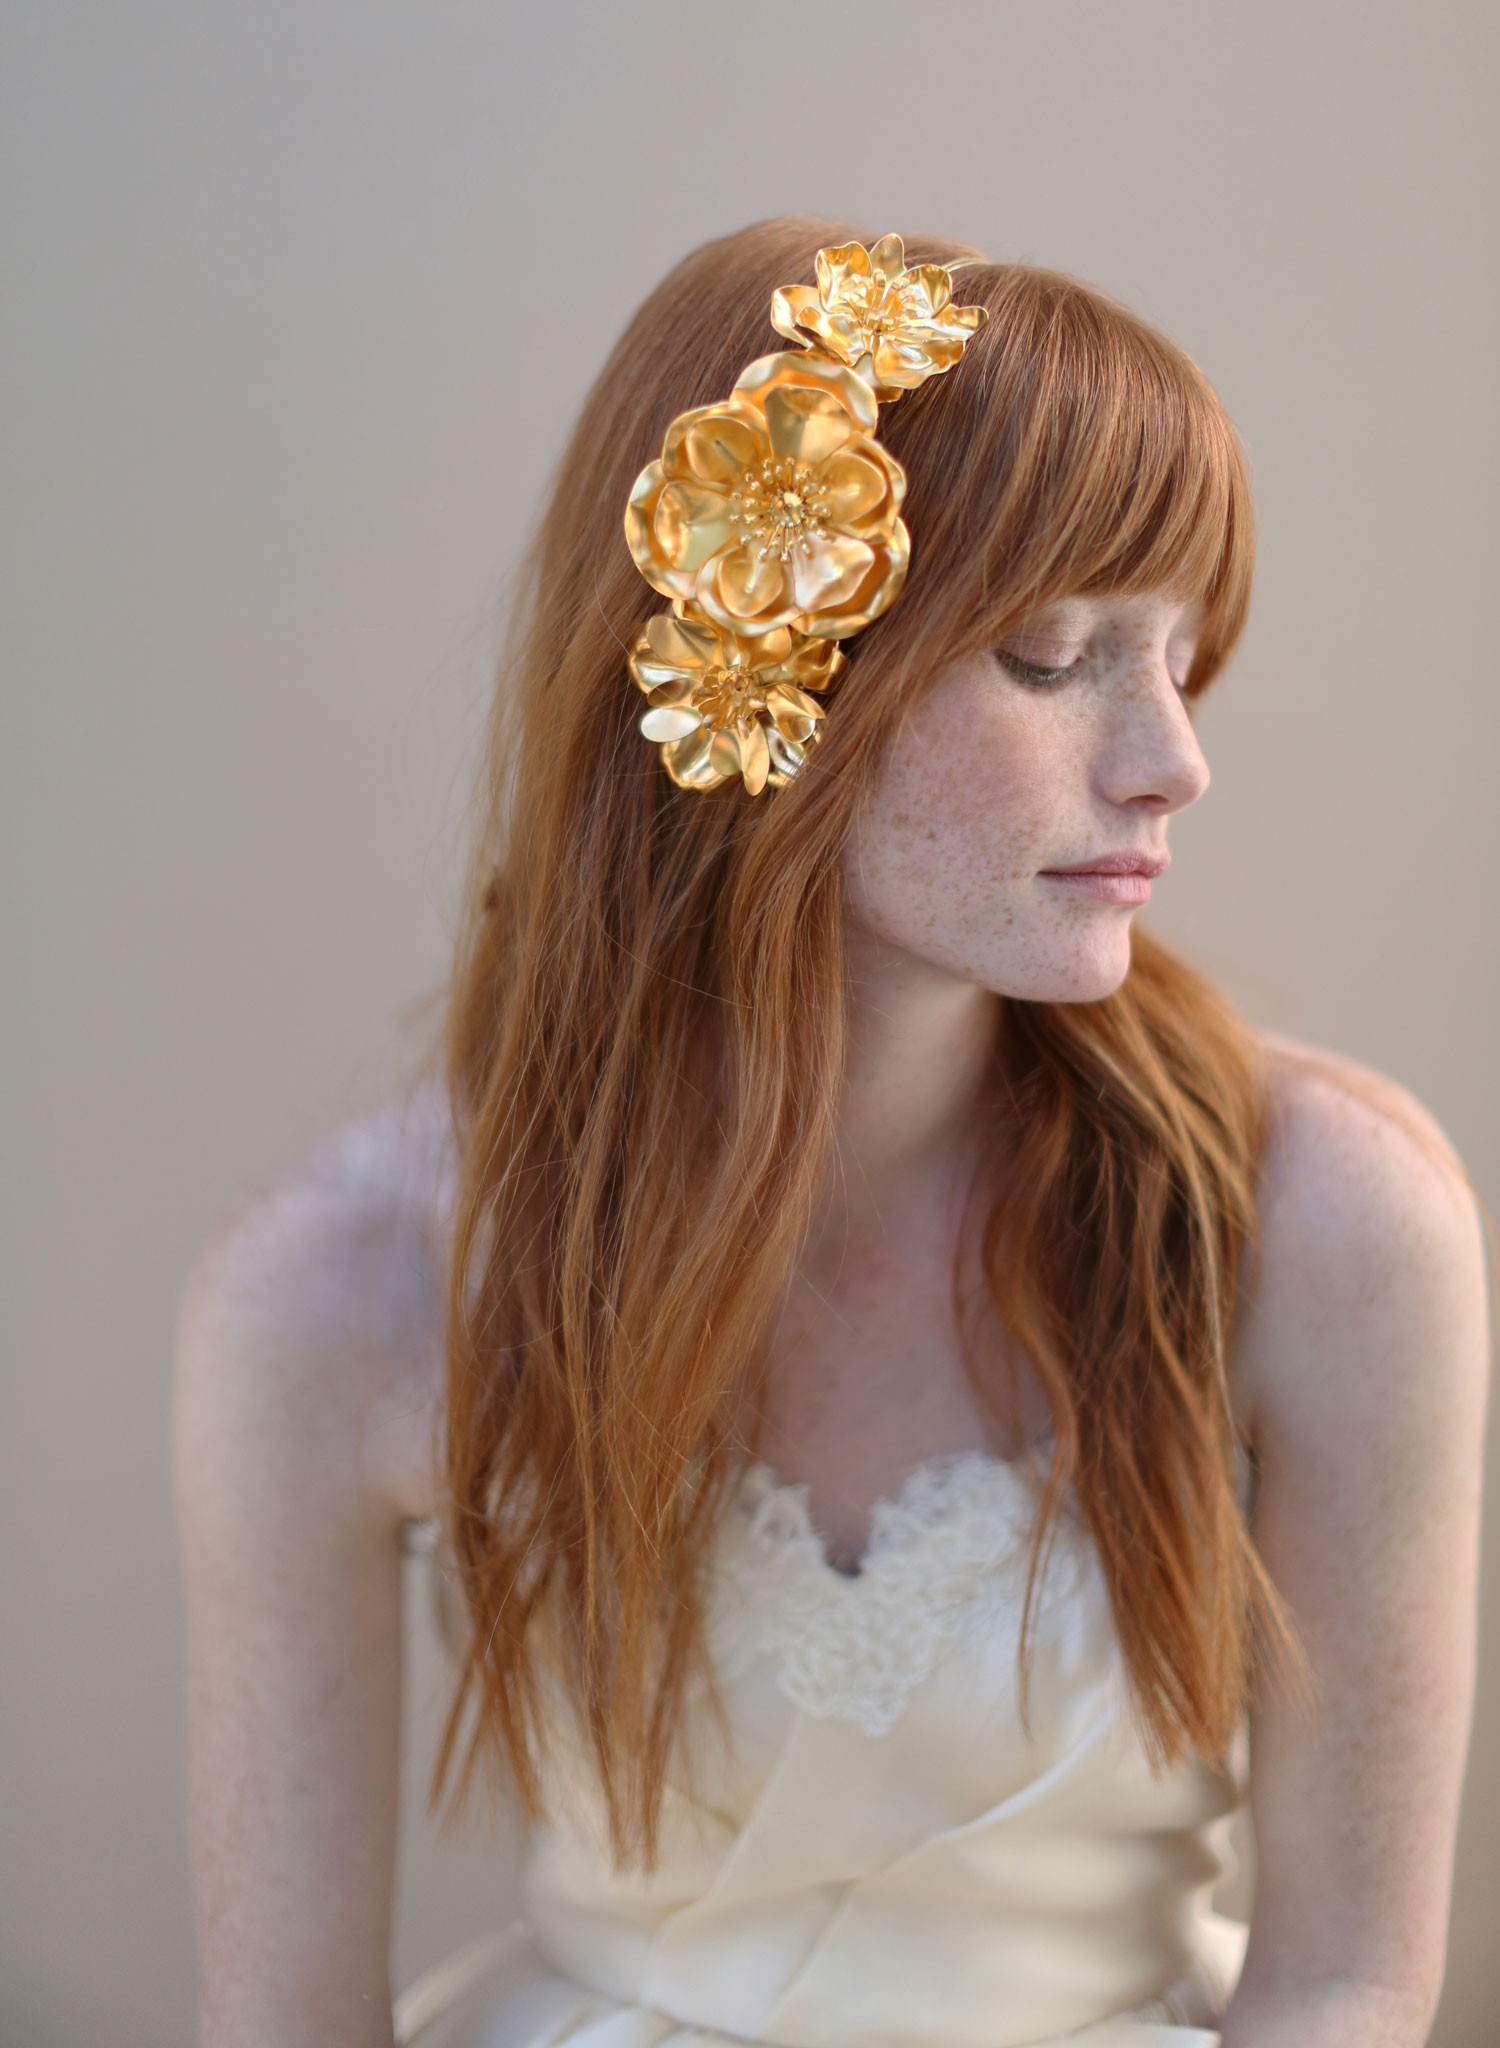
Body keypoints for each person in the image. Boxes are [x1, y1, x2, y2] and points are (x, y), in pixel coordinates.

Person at [172, 217, 1491, 2048]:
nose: (1172, 759)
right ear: (758, 669)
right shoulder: (338, 1292)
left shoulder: (1324, 1221)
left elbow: (1346, 1981)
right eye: (1053, 655)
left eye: (1182, 657)